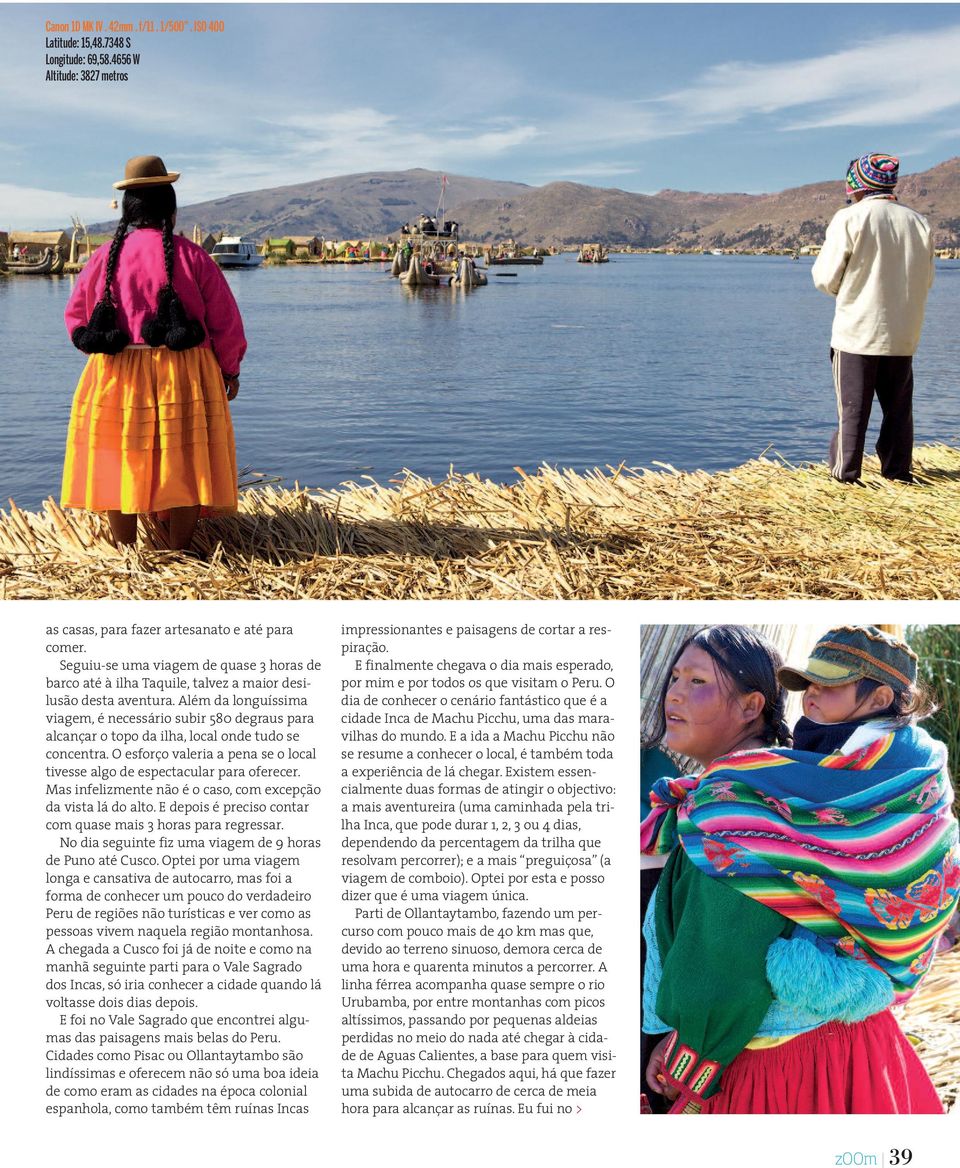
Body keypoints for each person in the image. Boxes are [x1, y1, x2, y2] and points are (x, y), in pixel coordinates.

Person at [641, 625, 958, 1114]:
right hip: (858, 1046)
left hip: (788, 1065)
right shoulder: (806, 769)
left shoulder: (748, 803)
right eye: (808, 682)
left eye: (829, 685)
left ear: (879, 696)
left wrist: (690, 1054)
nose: (811, 695)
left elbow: (729, 952)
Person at [61, 155, 246, 552]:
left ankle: (127, 550)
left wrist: (111, 356)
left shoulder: (102, 259)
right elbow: (226, 324)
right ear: (172, 210)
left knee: (120, 456)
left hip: (116, 372)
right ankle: (179, 550)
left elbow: (76, 319)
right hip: (184, 372)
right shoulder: (193, 257)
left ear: (127, 210)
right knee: (185, 460)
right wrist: (229, 371)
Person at [811, 153, 935, 485]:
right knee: (898, 410)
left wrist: (849, 290)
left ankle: (845, 475)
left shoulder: (850, 219)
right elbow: (926, 278)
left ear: (857, 186)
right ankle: (897, 472)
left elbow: (825, 277)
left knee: (852, 409)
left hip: (858, 331)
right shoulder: (918, 222)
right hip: (902, 333)